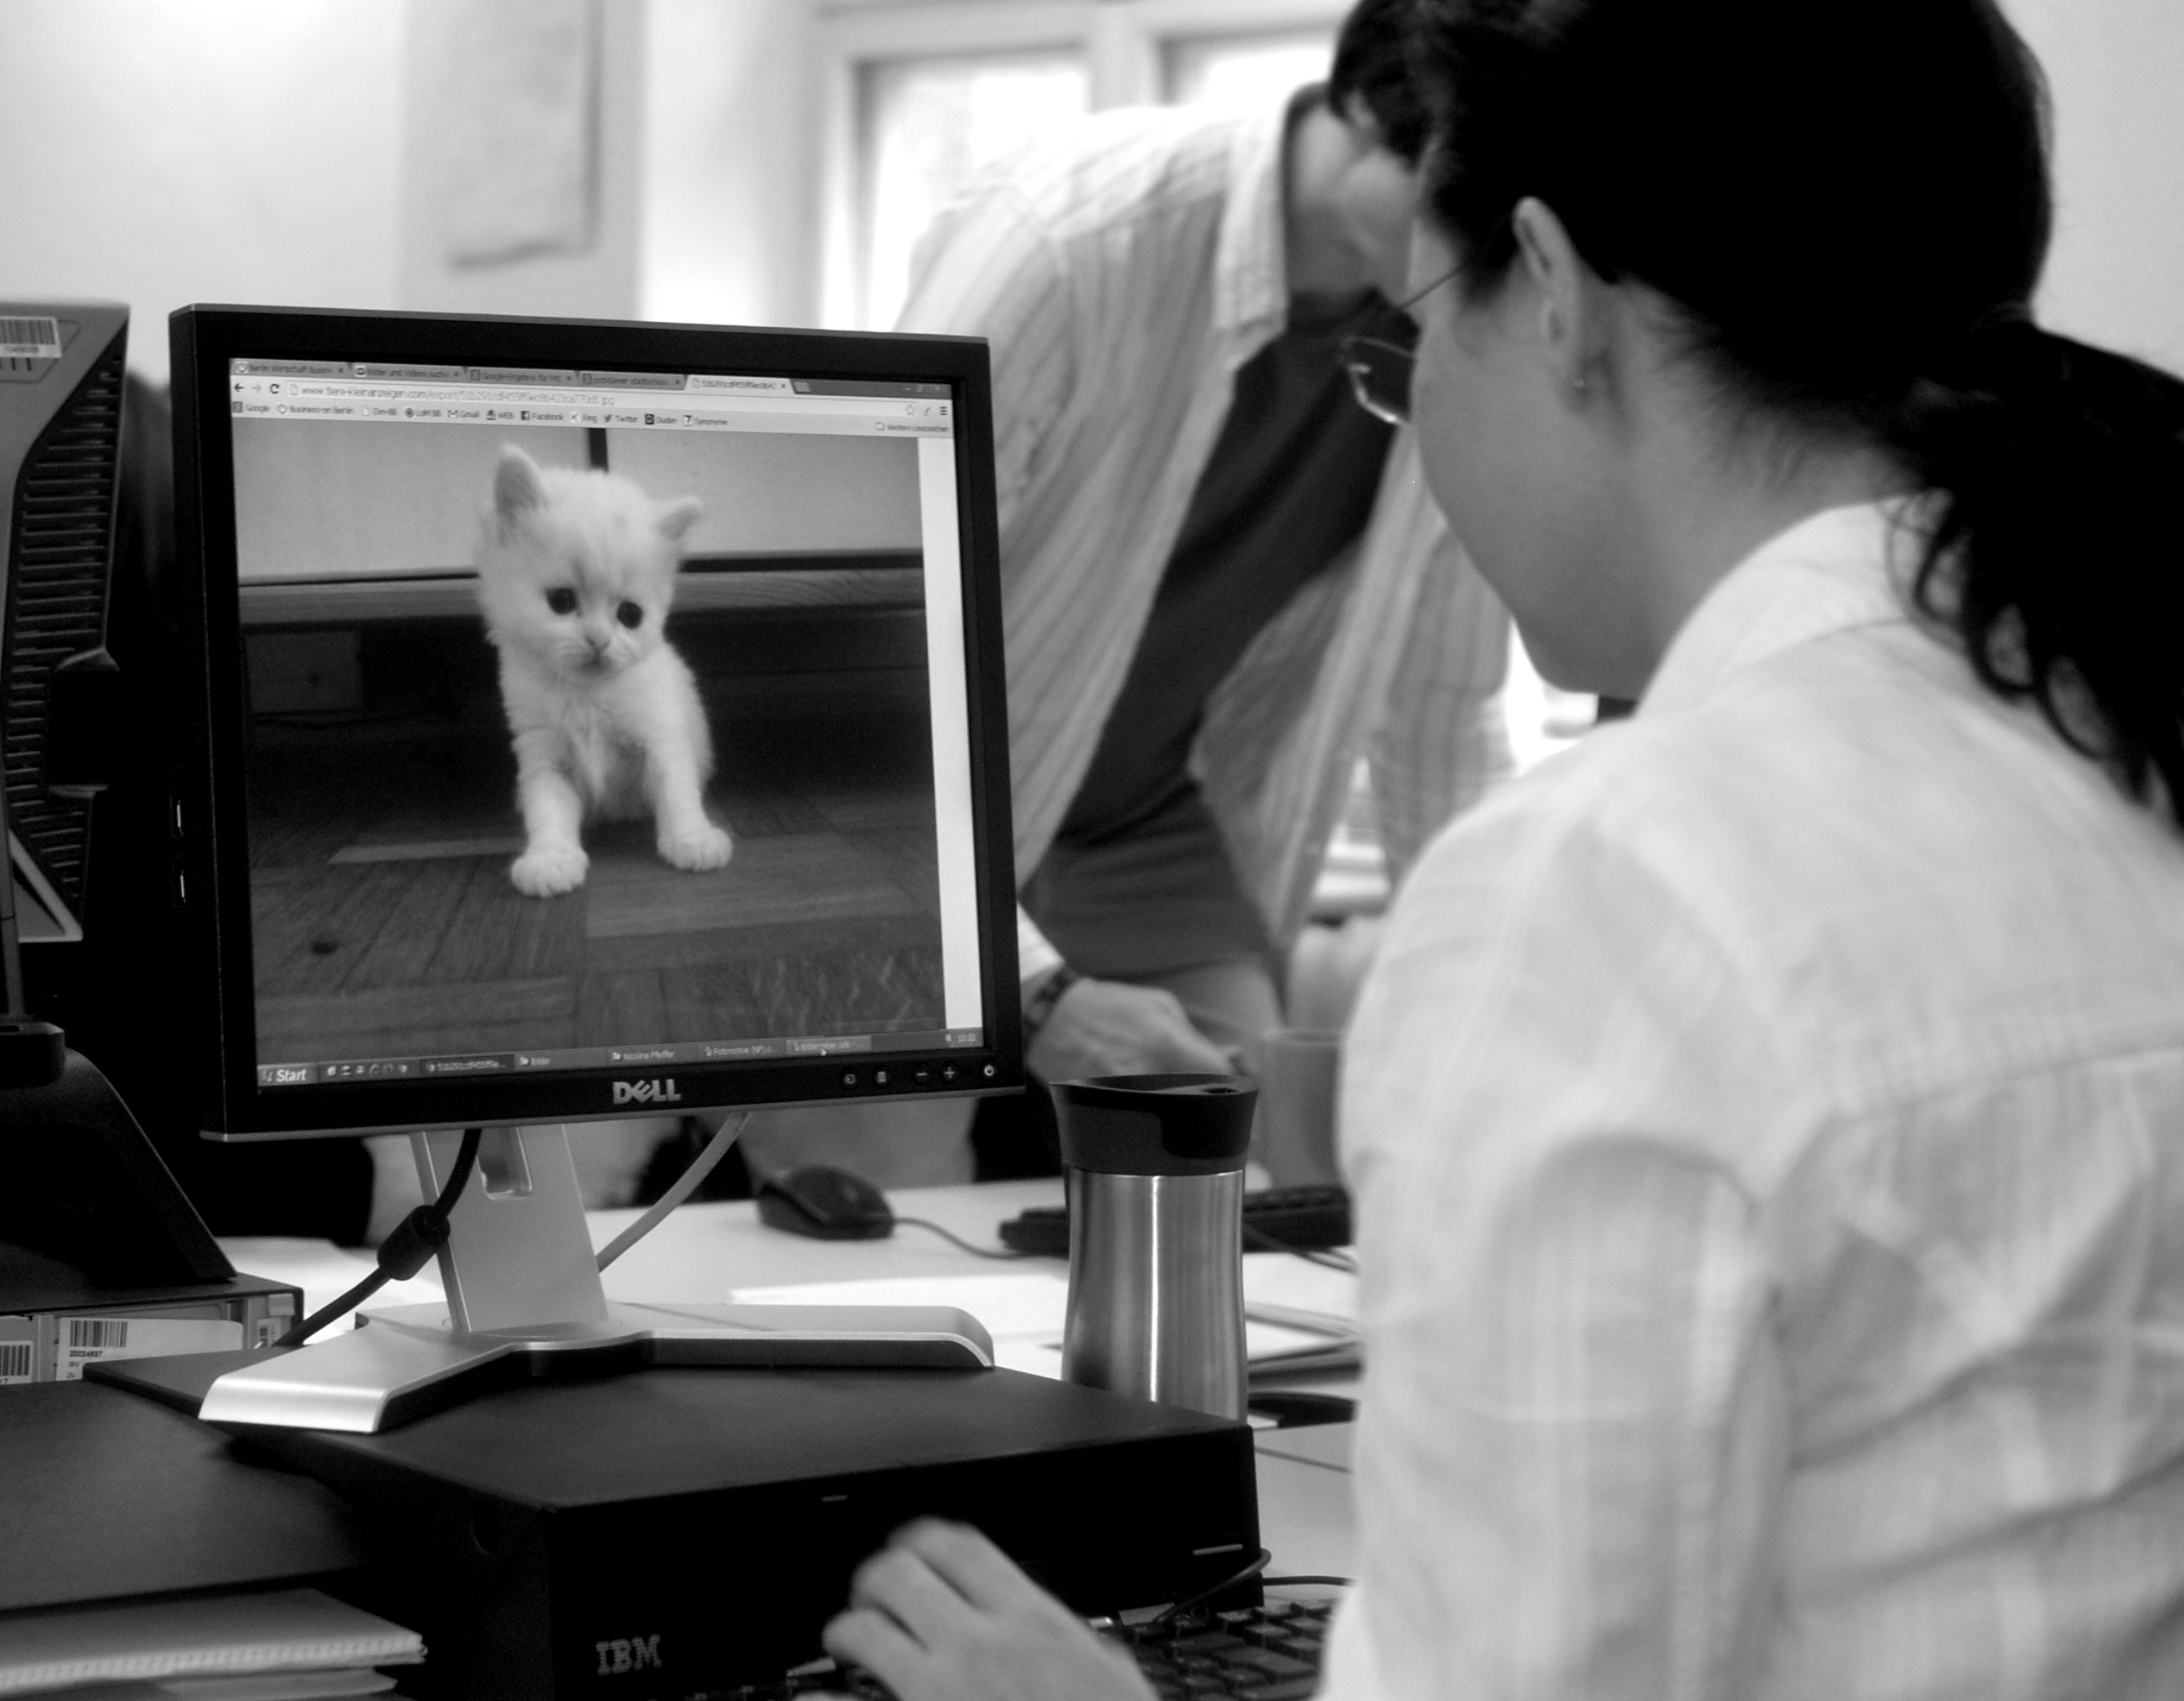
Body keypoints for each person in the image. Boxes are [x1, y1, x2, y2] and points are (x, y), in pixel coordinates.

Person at [823, 0, 2184, 1695]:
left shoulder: (1608, 888)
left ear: (1548, 292)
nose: (1416, 420)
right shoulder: (2109, 745)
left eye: (1417, 335)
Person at [786, 0, 1507, 1194]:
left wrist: (1496, 1009)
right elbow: (854, 670)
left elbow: (1442, 715)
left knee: (1247, 1177)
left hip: (1144, 823)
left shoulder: (1456, 328)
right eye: (1472, 194)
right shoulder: (1068, 244)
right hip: (914, 814)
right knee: (880, 1218)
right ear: (1372, 117)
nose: (1496, 247)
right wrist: (1035, 996)